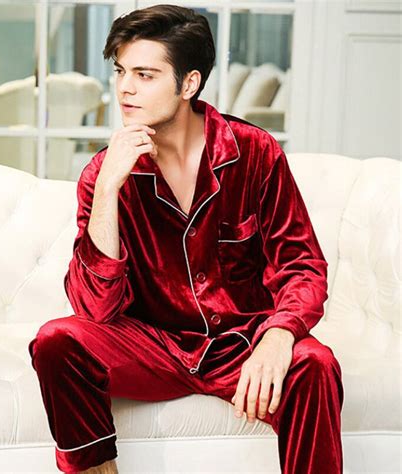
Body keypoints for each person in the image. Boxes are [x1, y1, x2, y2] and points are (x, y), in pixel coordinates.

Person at [28, 4, 344, 474]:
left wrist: (280, 334)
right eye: (120, 71)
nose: (125, 88)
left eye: (144, 75)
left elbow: (302, 265)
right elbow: (93, 310)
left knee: (315, 363)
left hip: (242, 344)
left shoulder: (254, 152)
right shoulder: (104, 171)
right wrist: (108, 190)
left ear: (189, 83)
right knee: (56, 341)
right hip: (153, 346)